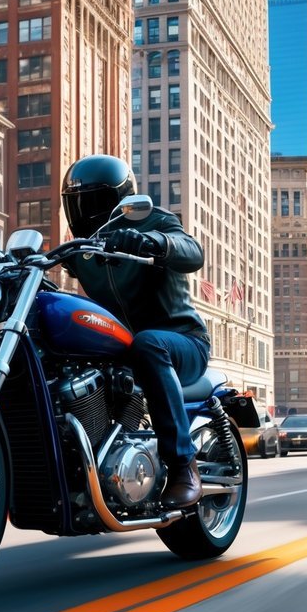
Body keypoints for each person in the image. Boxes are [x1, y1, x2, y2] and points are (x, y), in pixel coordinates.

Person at [57, 154, 211, 508]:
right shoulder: (83, 247)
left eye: (95, 201)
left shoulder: (153, 221)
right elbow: (51, 259)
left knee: (147, 342)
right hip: (124, 349)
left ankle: (183, 464)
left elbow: (193, 252)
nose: (85, 210)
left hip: (182, 342)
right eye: (78, 202)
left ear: (119, 199)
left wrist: (154, 243)